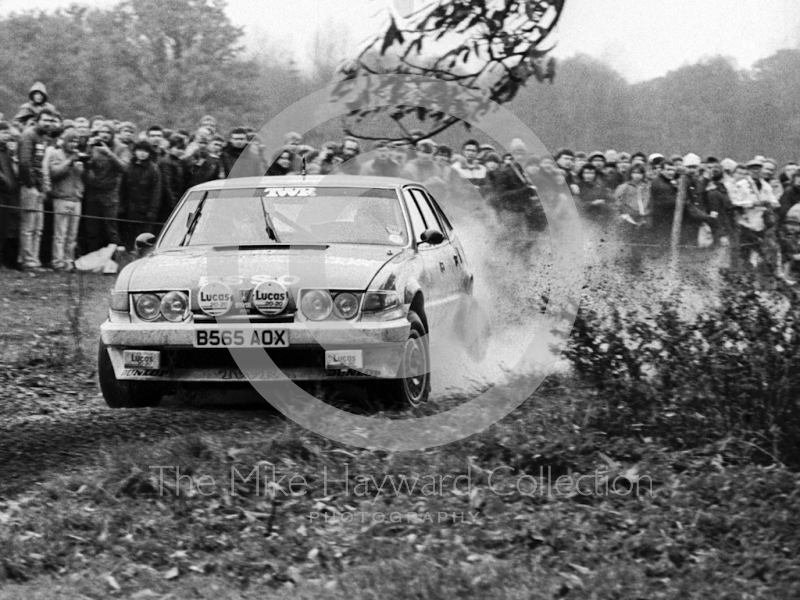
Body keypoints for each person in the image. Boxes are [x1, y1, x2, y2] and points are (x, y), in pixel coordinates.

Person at [17, 109, 56, 270]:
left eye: (50, 121)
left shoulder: (42, 137)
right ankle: (27, 261)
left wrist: (42, 187)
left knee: (37, 228)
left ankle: (34, 259)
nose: (48, 123)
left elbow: (40, 164)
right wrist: (31, 184)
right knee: (28, 226)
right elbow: (25, 163)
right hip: (29, 187)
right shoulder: (29, 135)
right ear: (37, 119)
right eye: (45, 120)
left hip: (39, 187)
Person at [82, 121, 126, 254]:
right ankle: (91, 256)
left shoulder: (121, 148)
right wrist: (88, 149)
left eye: (108, 132)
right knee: (92, 225)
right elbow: (88, 165)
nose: (104, 135)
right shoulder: (94, 146)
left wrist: (109, 153)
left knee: (110, 226)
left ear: (113, 134)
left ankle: (114, 258)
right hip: (93, 190)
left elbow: (124, 168)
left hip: (110, 191)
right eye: (102, 132)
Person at [46, 128, 84, 270]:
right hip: (62, 198)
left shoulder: (78, 156)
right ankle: (57, 261)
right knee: (60, 234)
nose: (74, 144)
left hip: (76, 199)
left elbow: (82, 178)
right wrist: (69, 162)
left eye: (76, 141)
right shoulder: (56, 154)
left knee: (72, 234)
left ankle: (68, 261)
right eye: (71, 141)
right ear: (65, 141)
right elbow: (54, 173)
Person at [120, 140, 161, 249]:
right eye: (139, 150)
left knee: (144, 239)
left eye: (145, 151)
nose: (142, 153)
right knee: (129, 238)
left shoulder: (153, 169)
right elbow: (123, 189)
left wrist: (152, 210)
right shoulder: (129, 167)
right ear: (135, 152)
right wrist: (122, 206)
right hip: (130, 210)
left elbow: (156, 192)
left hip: (146, 211)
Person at [0, 123, 20, 268]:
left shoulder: (6, 151)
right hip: (1, 193)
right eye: (3, 132)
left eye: (8, 133)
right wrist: (5, 182)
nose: (6, 136)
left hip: (9, 195)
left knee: (6, 228)